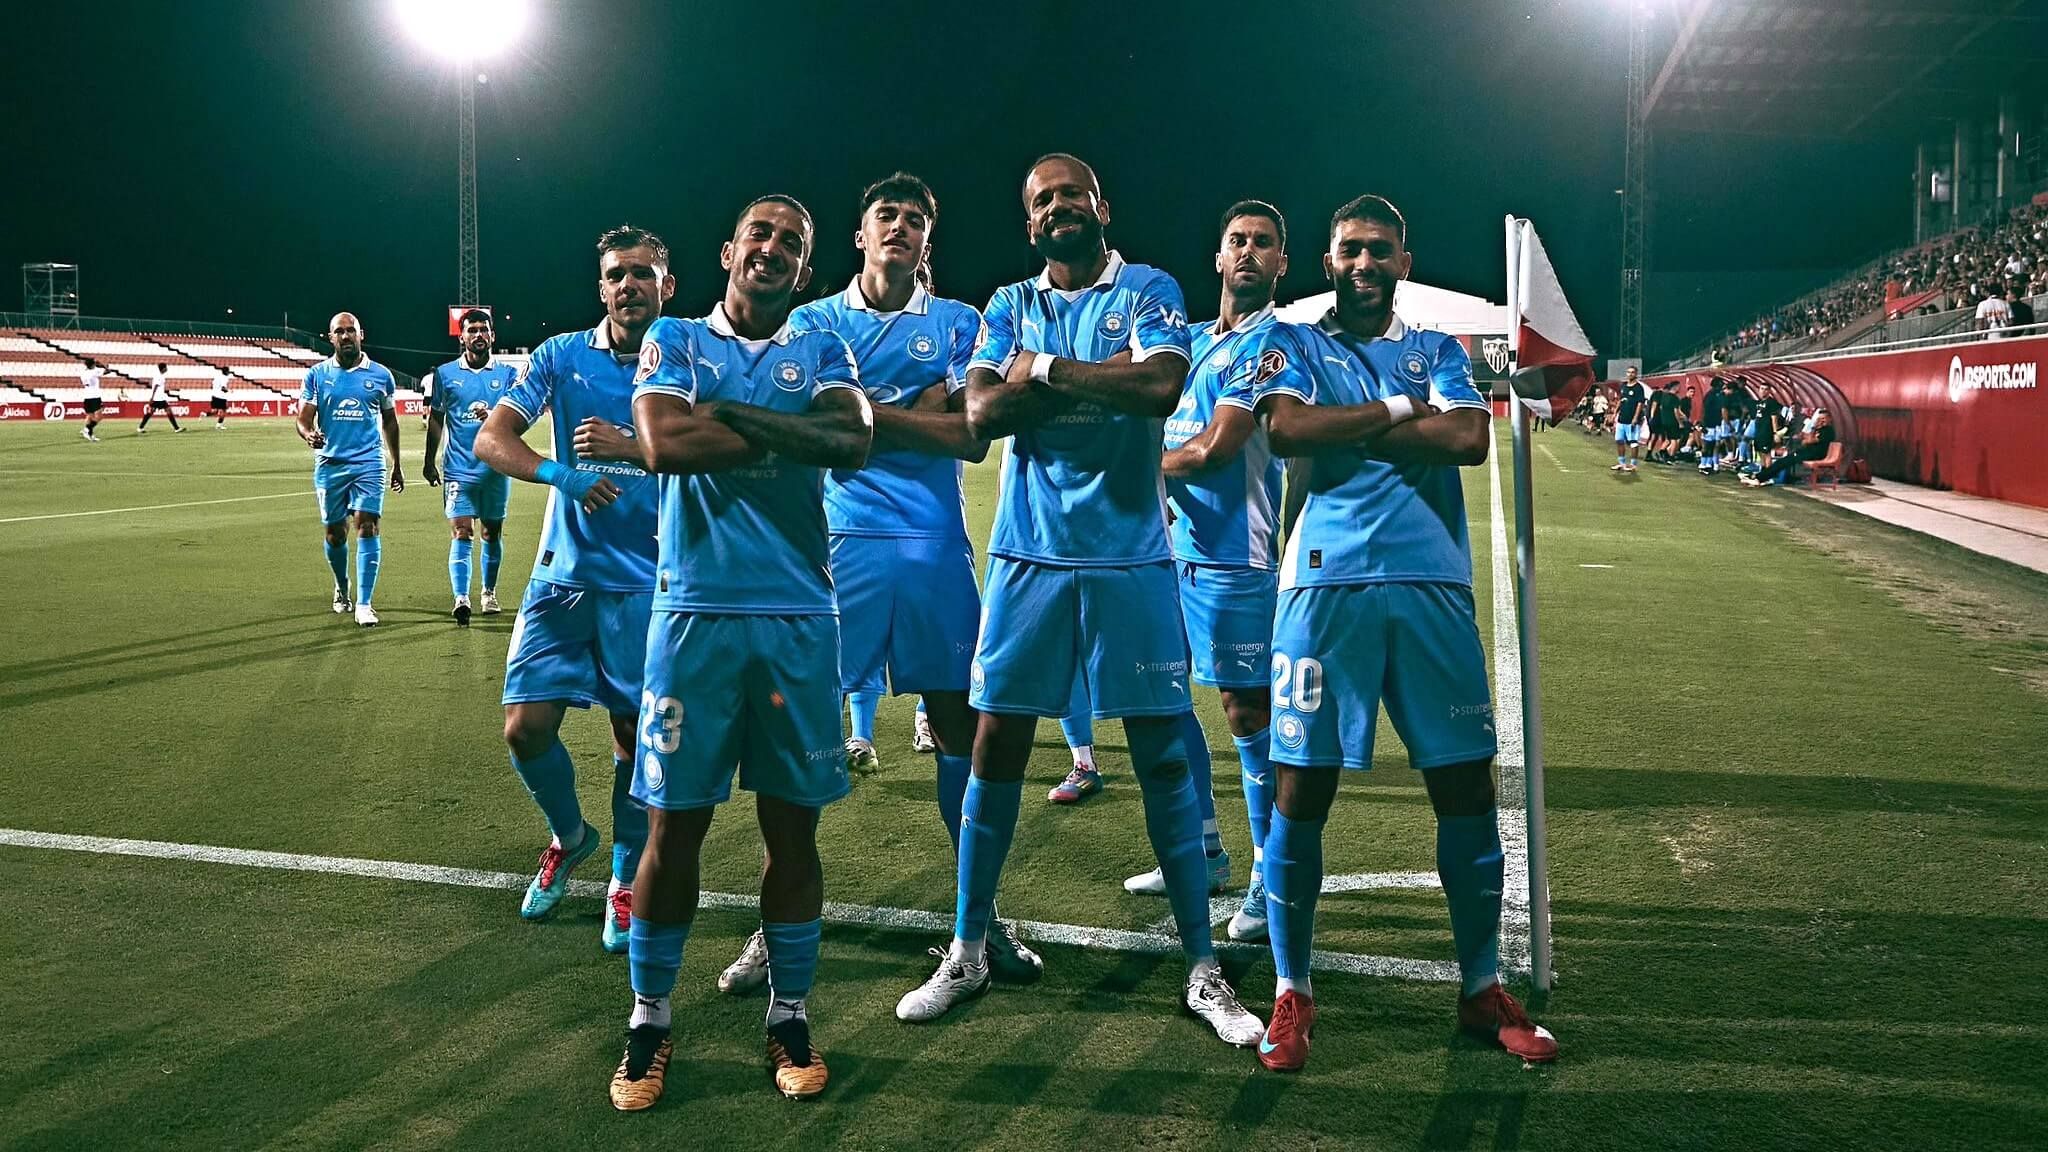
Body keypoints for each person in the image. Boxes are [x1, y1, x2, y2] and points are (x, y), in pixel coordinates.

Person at [893, 153, 1261, 1048]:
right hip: (1028, 557)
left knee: (1165, 754)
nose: (1058, 206)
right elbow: (981, 415)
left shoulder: (1148, 288)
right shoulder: (1006, 303)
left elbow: (1158, 388)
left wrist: (1045, 371)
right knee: (996, 745)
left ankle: (1203, 968)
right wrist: (1077, 382)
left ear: (1102, 205)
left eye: (1071, 193)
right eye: (1041, 199)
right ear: (1030, 223)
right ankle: (971, 945)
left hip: (1132, 558)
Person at [1250, 193, 1557, 1071]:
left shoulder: (1436, 351)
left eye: (1380, 249)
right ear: (1327, 260)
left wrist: (1381, 424)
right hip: (1321, 588)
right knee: (1299, 794)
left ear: (1403, 262)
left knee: (1464, 789)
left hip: (1429, 590)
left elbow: (1466, 435)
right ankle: (1291, 991)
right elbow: (1287, 427)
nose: (1364, 263)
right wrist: (1395, 413)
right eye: (1350, 248)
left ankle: (1478, 989)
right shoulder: (1299, 344)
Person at [715, 173, 1041, 996]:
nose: (899, 227)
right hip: (840, 550)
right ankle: (773, 922)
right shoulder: (814, 320)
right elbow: (811, 434)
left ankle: (980, 920)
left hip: (933, 549)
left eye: (916, 220)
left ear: (930, 240)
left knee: (959, 728)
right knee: (803, 740)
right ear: (860, 236)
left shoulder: (961, 323)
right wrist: (902, 413)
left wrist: (861, 416)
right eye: (885, 216)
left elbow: (969, 437)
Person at [609, 195, 873, 1109]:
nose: (773, 249)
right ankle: (649, 1022)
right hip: (693, 617)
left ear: (804, 270)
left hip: (801, 618)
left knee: (792, 827)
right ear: (729, 250)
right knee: (672, 826)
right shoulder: (676, 337)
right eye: (760, 234)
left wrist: (737, 416)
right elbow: (661, 442)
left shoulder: (823, 344)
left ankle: (789, 1015)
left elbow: (854, 439)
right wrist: (785, 426)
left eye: (792, 243)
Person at [474, 227, 664, 954]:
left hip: (648, 582)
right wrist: (561, 475)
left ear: (665, 286)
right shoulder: (560, 356)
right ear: (601, 286)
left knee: (630, 736)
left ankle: (623, 869)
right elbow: (492, 439)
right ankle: (570, 836)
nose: (628, 285)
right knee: (525, 728)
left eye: (642, 273)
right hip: (564, 578)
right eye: (616, 274)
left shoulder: (683, 354)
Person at [1151, 199, 1290, 938]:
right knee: (1166, 703)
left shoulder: (1276, 345)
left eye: (1262, 243)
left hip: (1237, 558)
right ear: (1217, 256)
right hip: (1168, 553)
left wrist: (1141, 467)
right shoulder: (1195, 341)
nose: (1247, 252)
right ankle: (1204, 850)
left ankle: (1270, 872)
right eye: (1235, 239)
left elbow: (1214, 451)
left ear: (1281, 263)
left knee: (1247, 715)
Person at [295, 313, 403, 626]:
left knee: (366, 525)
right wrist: (308, 433)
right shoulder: (317, 374)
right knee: (334, 534)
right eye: (339, 331)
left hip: (369, 462)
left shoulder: (381, 375)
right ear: (330, 338)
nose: (345, 336)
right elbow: (303, 418)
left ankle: (365, 604)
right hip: (330, 463)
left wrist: (395, 463)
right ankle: (343, 586)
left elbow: (390, 421)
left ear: (361, 335)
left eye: (350, 330)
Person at [424, 308, 519, 626]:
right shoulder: (445, 374)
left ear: (492, 335)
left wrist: (495, 415)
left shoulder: (506, 374)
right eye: (472, 330)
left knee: (492, 532)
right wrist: (429, 460)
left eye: (483, 329)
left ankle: (488, 593)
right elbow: (437, 418)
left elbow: (518, 420)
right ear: (461, 336)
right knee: (461, 531)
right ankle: (461, 598)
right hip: (458, 470)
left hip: (495, 467)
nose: (478, 335)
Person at [1744, 408, 1834, 486]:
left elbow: (1808, 440)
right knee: (1782, 461)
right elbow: (1804, 439)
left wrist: (1813, 428)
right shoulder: (1820, 429)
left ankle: (1759, 478)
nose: (1821, 421)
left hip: (1815, 454)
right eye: (1819, 418)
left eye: (1824, 418)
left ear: (1829, 419)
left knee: (1784, 462)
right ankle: (1759, 477)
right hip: (1807, 452)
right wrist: (1808, 435)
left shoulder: (1828, 431)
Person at [1611, 366, 1648, 473]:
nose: (1630, 374)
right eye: (1628, 372)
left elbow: (1640, 404)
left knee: (1633, 442)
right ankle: (1621, 463)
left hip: (1632, 420)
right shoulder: (1623, 386)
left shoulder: (1638, 388)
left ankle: (1633, 464)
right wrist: (1615, 413)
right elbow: (1620, 400)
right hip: (1622, 419)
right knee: (1619, 441)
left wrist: (1635, 418)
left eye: (1632, 372)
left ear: (1636, 374)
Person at [137, 362, 183, 433]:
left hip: (158, 398)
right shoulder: (159, 377)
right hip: (158, 398)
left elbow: (161, 388)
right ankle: (176, 428)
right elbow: (155, 387)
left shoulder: (158, 376)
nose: (167, 369)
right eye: (166, 367)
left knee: (150, 413)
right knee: (168, 411)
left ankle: (140, 427)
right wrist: (152, 397)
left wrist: (174, 389)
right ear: (163, 368)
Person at [78, 360, 106, 441]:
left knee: (91, 417)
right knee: (99, 417)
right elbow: (108, 371)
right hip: (95, 396)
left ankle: (90, 434)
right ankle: (86, 430)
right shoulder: (95, 371)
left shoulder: (83, 373)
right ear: (93, 365)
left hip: (86, 397)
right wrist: (101, 365)